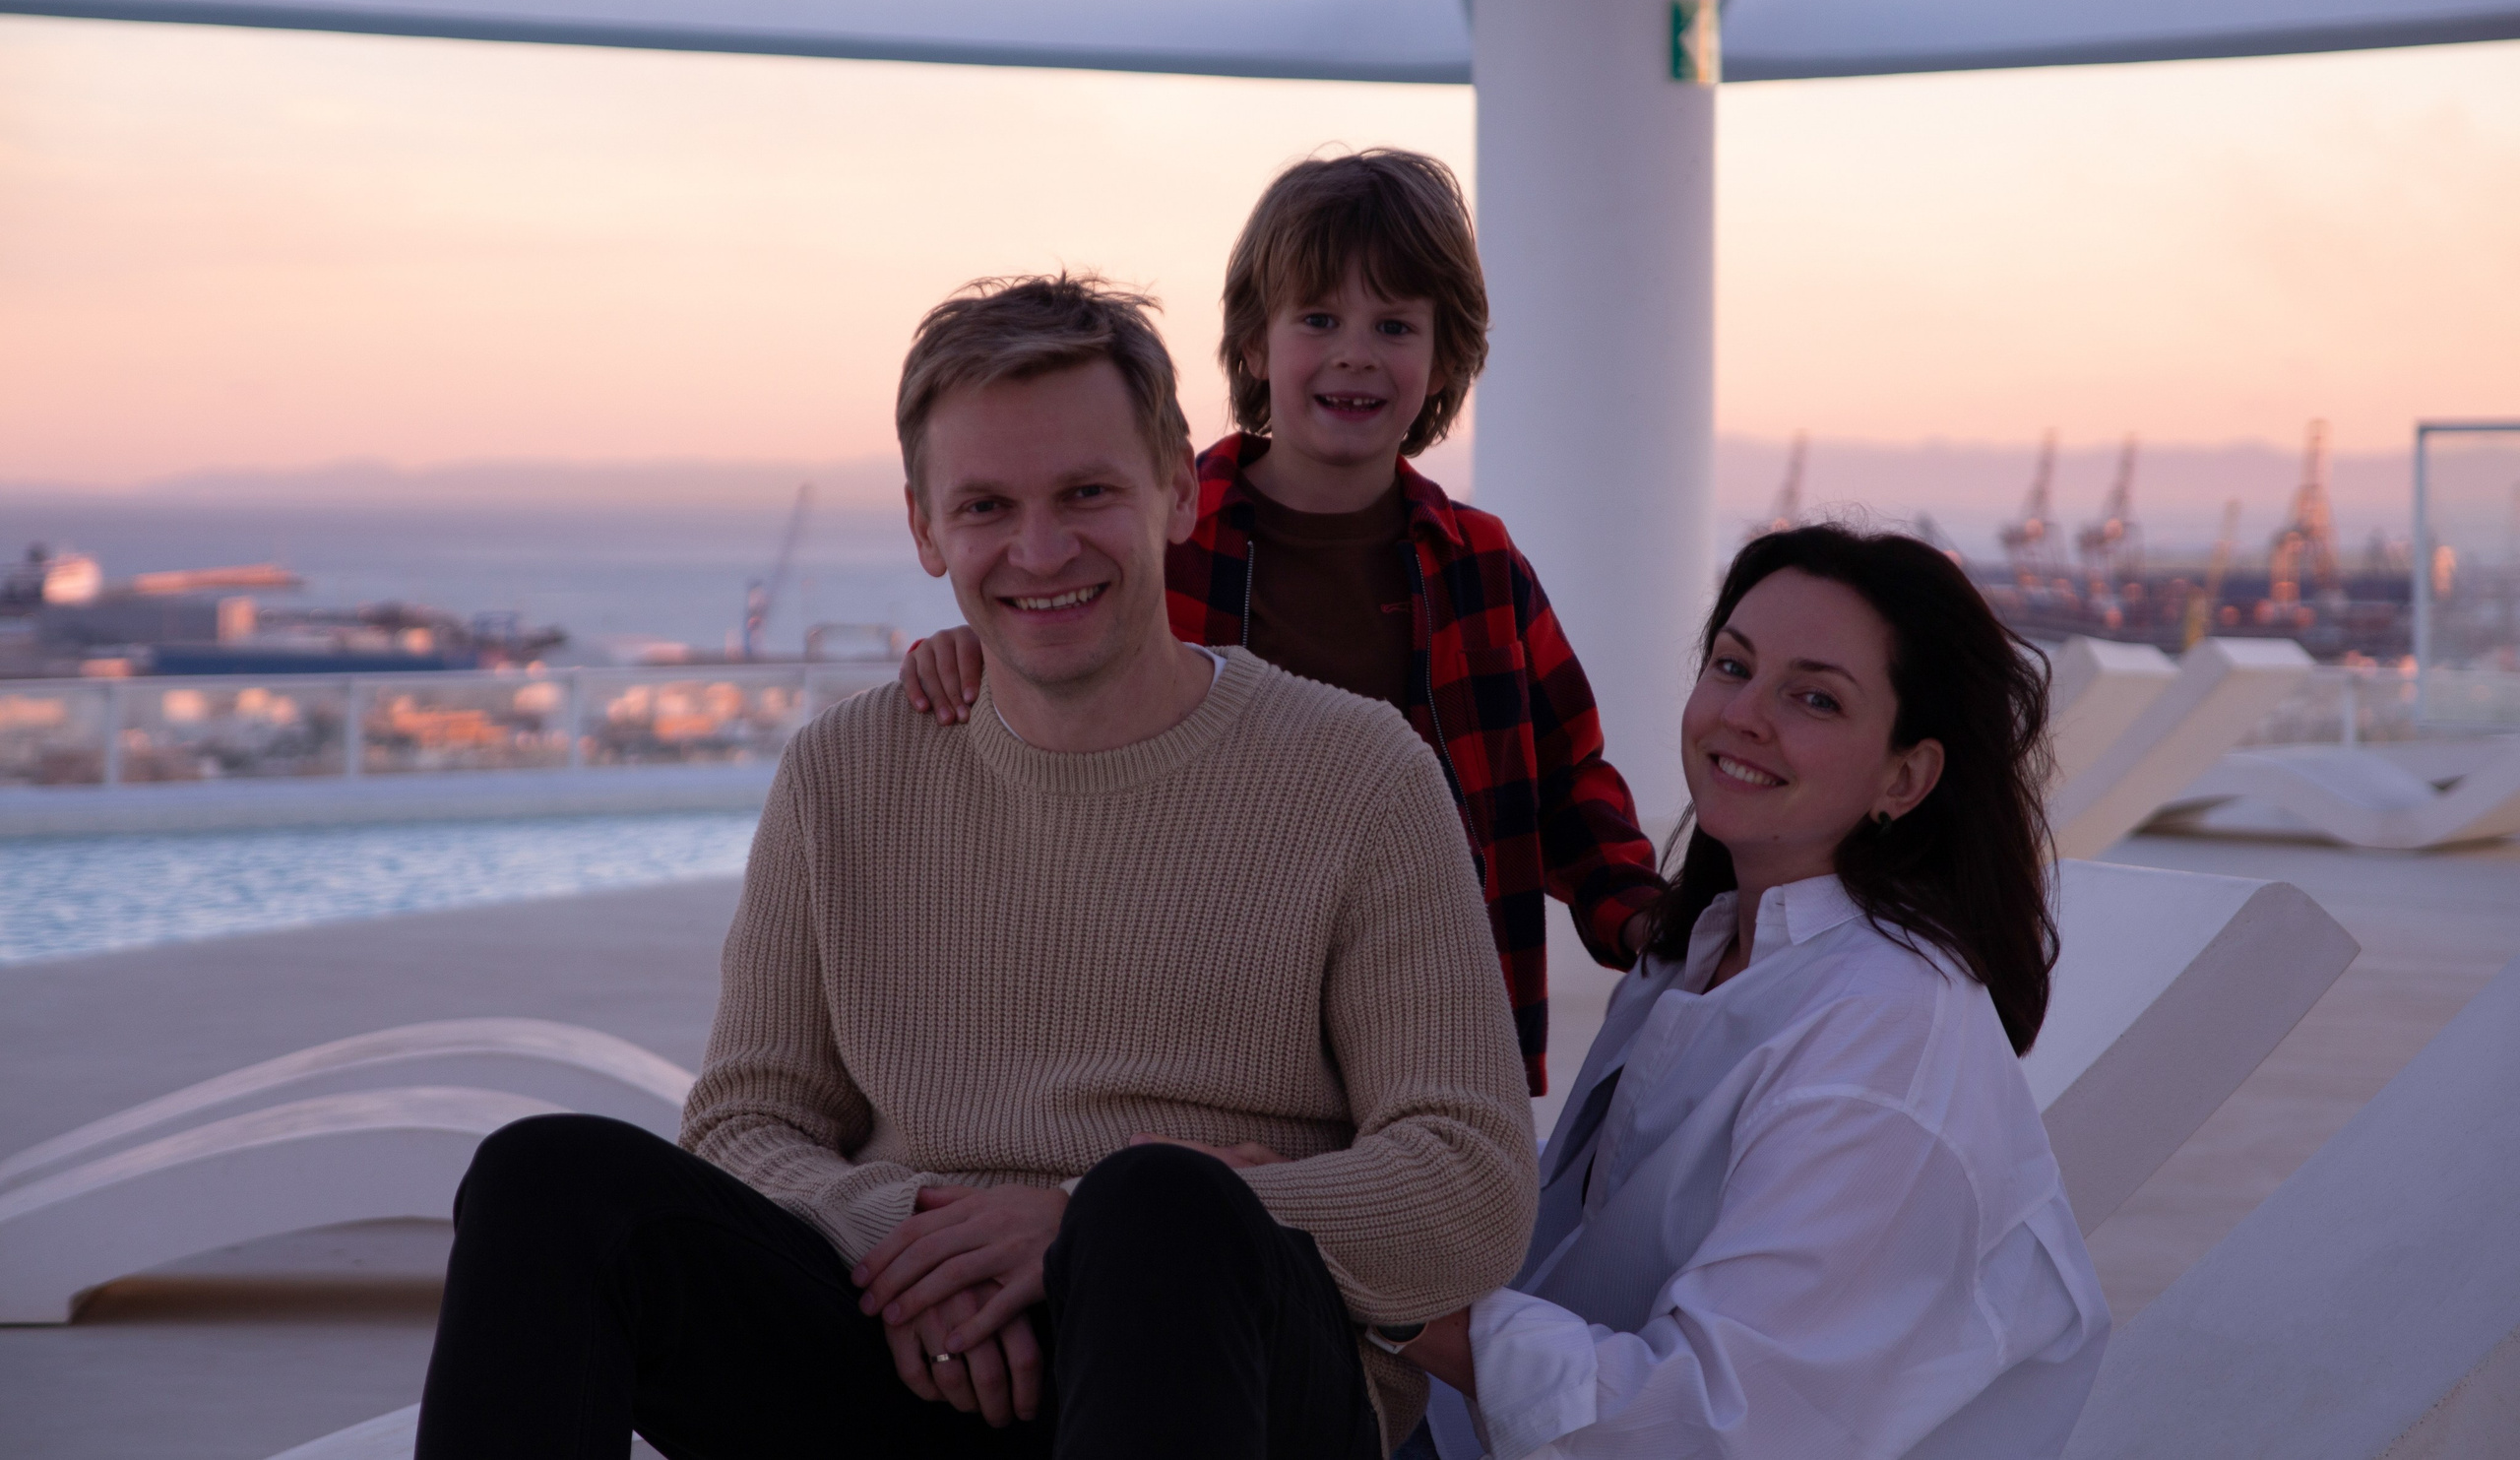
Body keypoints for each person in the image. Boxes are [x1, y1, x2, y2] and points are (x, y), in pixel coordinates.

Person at [413, 274, 1538, 1460]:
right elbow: (746, 1124)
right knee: (546, 1184)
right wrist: (922, 1243)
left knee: (1151, 1205)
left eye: (1087, 492)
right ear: (922, 526)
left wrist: (1072, 1227)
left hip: (1227, 1372)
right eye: (987, 505)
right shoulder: (845, 774)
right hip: (912, 1351)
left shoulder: (1358, 773)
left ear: (1177, 490)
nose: (1038, 549)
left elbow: (1468, 1184)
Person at [902, 149, 1663, 1095]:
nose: (1355, 352)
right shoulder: (1170, 538)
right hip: (1222, 1026)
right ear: (1255, 346)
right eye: (1318, 319)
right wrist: (979, 650)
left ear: (1444, 357)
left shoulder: (1482, 566)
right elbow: (1061, 640)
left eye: (1394, 323)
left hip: (1438, 1029)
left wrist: (1640, 919)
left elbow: (1563, 779)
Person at [1403, 525, 2111, 1459]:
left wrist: (1390, 1289)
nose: (1745, 714)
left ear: (1905, 775)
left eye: (1814, 696)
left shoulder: (1885, 1037)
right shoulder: (1695, 951)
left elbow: (1711, 1423)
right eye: (1732, 665)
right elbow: (1596, 1214)